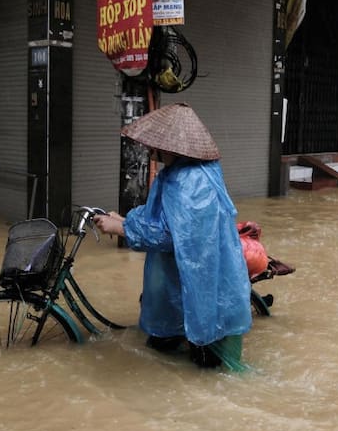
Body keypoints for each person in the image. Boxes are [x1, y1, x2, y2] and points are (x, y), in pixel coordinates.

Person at [93, 104, 252, 369]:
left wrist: (122, 229)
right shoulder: (182, 173)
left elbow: (172, 236)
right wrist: (125, 220)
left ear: (171, 148)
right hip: (184, 277)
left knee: (208, 367)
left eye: (154, 145)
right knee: (169, 351)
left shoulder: (190, 182)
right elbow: (160, 215)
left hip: (201, 282)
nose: (149, 149)